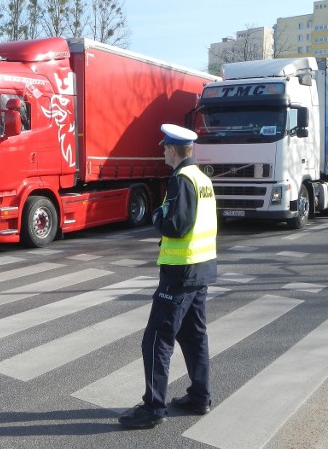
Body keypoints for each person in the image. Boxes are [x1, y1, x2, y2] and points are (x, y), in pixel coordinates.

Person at [119, 124, 218, 429]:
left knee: (156, 340)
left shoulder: (181, 180)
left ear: (174, 150)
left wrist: (156, 217)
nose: (162, 150)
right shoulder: (201, 178)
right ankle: (199, 397)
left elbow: (176, 225)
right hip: (199, 268)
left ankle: (153, 408)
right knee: (193, 337)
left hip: (179, 273)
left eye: (165, 147)